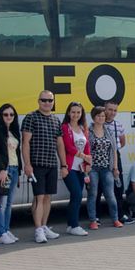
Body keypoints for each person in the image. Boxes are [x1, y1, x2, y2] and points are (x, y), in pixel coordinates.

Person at [21, 90, 62, 244]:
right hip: (36, 164)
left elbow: (59, 144)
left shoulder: (55, 120)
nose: (47, 103)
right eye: (44, 100)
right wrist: (27, 164)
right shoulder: (31, 117)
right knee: (39, 197)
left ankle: (44, 226)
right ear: (38, 101)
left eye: (50, 100)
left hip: (52, 164)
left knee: (48, 197)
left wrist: (63, 164)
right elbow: (25, 143)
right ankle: (38, 230)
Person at [96, 100, 134, 224]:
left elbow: (122, 142)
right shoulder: (97, 124)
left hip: (115, 157)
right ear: (104, 109)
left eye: (115, 110)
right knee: (98, 187)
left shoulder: (118, 125)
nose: (112, 112)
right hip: (100, 157)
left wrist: (114, 153)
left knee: (118, 187)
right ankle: (96, 216)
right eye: (109, 109)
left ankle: (120, 214)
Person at [0, 103, 22, 243]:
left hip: (14, 169)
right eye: (5, 114)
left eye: (11, 114)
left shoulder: (14, 131)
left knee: (9, 203)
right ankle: (1, 234)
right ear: (0, 115)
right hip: (4, 170)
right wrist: (2, 169)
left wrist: (19, 170)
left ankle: (7, 230)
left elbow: (16, 152)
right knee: (1, 203)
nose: (9, 117)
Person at [58, 101, 91, 236]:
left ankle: (72, 225)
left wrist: (88, 161)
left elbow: (87, 145)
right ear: (68, 113)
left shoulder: (83, 128)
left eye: (78, 112)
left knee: (77, 196)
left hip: (80, 168)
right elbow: (68, 147)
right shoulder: (65, 127)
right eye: (73, 112)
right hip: (69, 167)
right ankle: (74, 225)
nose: (75, 115)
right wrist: (83, 155)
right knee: (76, 194)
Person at [87, 105, 122, 229]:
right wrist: (86, 169)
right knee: (93, 194)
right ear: (94, 117)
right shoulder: (88, 131)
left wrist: (115, 167)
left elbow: (114, 150)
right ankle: (93, 220)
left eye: (103, 116)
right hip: (92, 169)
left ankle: (115, 219)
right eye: (98, 116)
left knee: (110, 195)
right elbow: (85, 150)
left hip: (107, 168)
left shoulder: (108, 131)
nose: (101, 118)